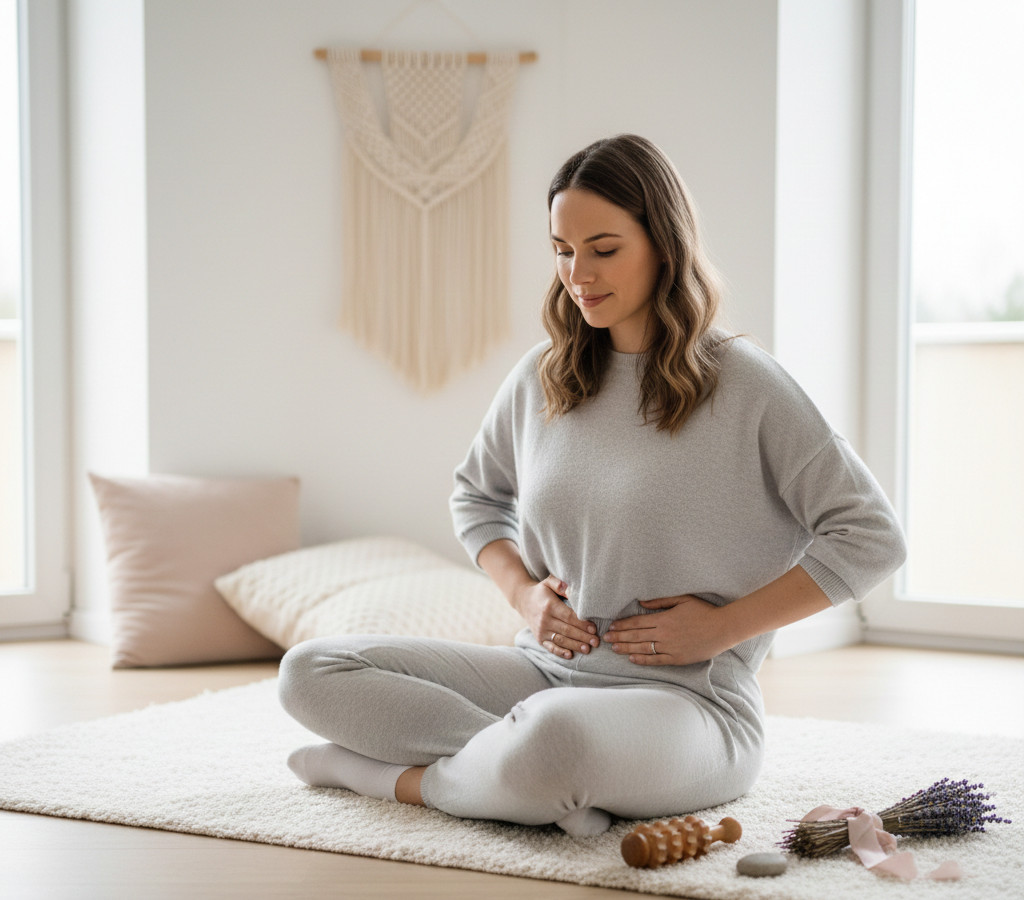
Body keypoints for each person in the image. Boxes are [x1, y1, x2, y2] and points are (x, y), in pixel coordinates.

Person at [278, 134, 907, 836]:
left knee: (557, 738)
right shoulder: (542, 377)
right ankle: (528, 780)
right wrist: (523, 596)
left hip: (693, 704)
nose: (579, 274)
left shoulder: (746, 383)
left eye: (604, 249)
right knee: (311, 671)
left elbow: (872, 537)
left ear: (663, 246)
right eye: (561, 249)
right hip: (543, 674)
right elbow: (475, 498)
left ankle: (388, 776)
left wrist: (724, 627)